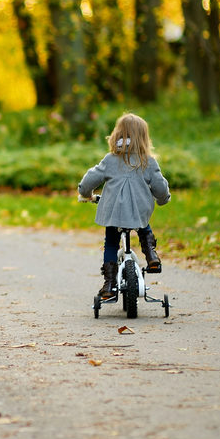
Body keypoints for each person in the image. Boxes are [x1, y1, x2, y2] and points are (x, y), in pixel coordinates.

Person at [78, 112, 171, 300]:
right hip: (139, 212)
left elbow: (90, 179)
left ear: (117, 135)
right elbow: (160, 187)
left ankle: (109, 284)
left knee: (111, 242)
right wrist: (163, 199)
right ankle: (151, 256)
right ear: (144, 138)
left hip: (113, 214)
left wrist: (85, 194)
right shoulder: (148, 162)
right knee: (143, 226)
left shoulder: (111, 160)